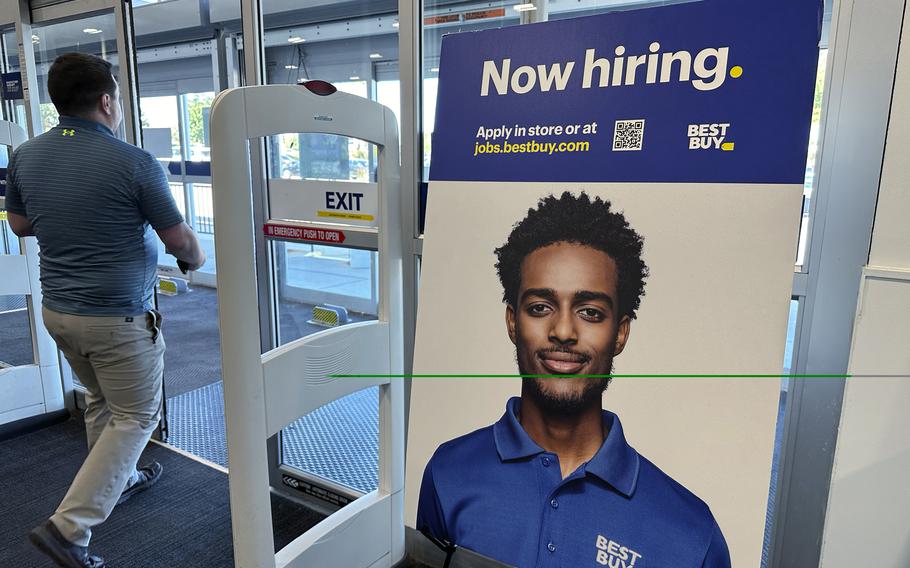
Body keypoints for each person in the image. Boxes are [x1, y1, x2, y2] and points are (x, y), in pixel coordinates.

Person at [416, 191, 730, 567]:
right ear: (513, 322)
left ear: (620, 333)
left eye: (590, 312)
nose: (563, 330)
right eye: (540, 308)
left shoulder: (693, 535)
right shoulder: (448, 473)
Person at [4, 52, 206, 568]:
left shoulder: (26, 154)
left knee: (99, 399)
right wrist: (195, 257)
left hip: (60, 313)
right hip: (116, 319)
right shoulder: (134, 162)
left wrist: (68, 216)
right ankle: (69, 531)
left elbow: (21, 225)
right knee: (137, 415)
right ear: (107, 100)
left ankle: (123, 478)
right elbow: (180, 239)